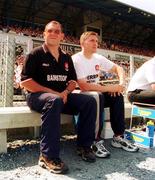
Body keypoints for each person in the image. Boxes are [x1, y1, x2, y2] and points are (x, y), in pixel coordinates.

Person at [20, 21, 97, 174]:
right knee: (53, 100)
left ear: (62, 35)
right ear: (44, 34)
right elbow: (25, 82)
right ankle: (47, 156)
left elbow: (73, 81)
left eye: (57, 31)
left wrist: (66, 92)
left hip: (61, 97)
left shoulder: (66, 58)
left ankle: (84, 146)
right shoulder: (35, 54)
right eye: (50, 31)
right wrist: (55, 93)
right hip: (38, 97)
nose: (53, 34)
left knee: (89, 101)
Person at [72, 31, 139, 158]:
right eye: (92, 40)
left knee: (116, 96)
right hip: (81, 95)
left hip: (97, 93)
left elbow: (118, 68)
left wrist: (120, 85)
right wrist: (110, 87)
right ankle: (94, 140)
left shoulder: (98, 58)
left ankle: (118, 136)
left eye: (97, 41)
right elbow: (84, 86)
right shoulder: (76, 59)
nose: (95, 43)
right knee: (98, 96)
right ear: (82, 43)